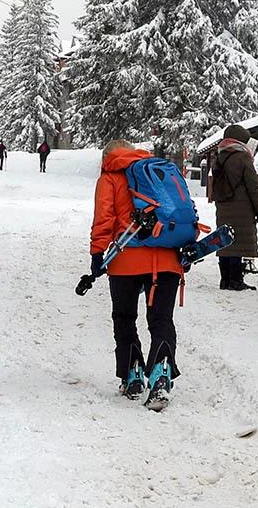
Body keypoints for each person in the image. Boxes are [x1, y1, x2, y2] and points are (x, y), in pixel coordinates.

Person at [90, 139, 182, 410]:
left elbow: (104, 218)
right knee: (161, 319)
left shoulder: (110, 178)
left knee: (124, 317)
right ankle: (162, 373)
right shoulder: (158, 170)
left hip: (125, 259)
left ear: (108, 156)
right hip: (167, 258)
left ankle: (132, 374)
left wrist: (97, 253)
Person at [211, 124, 258, 291]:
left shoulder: (219, 157)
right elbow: (253, 186)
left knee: (225, 240)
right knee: (238, 241)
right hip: (242, 206)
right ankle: (235, 281)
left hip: (223, 205)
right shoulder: (243, 158)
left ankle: (225, 280)